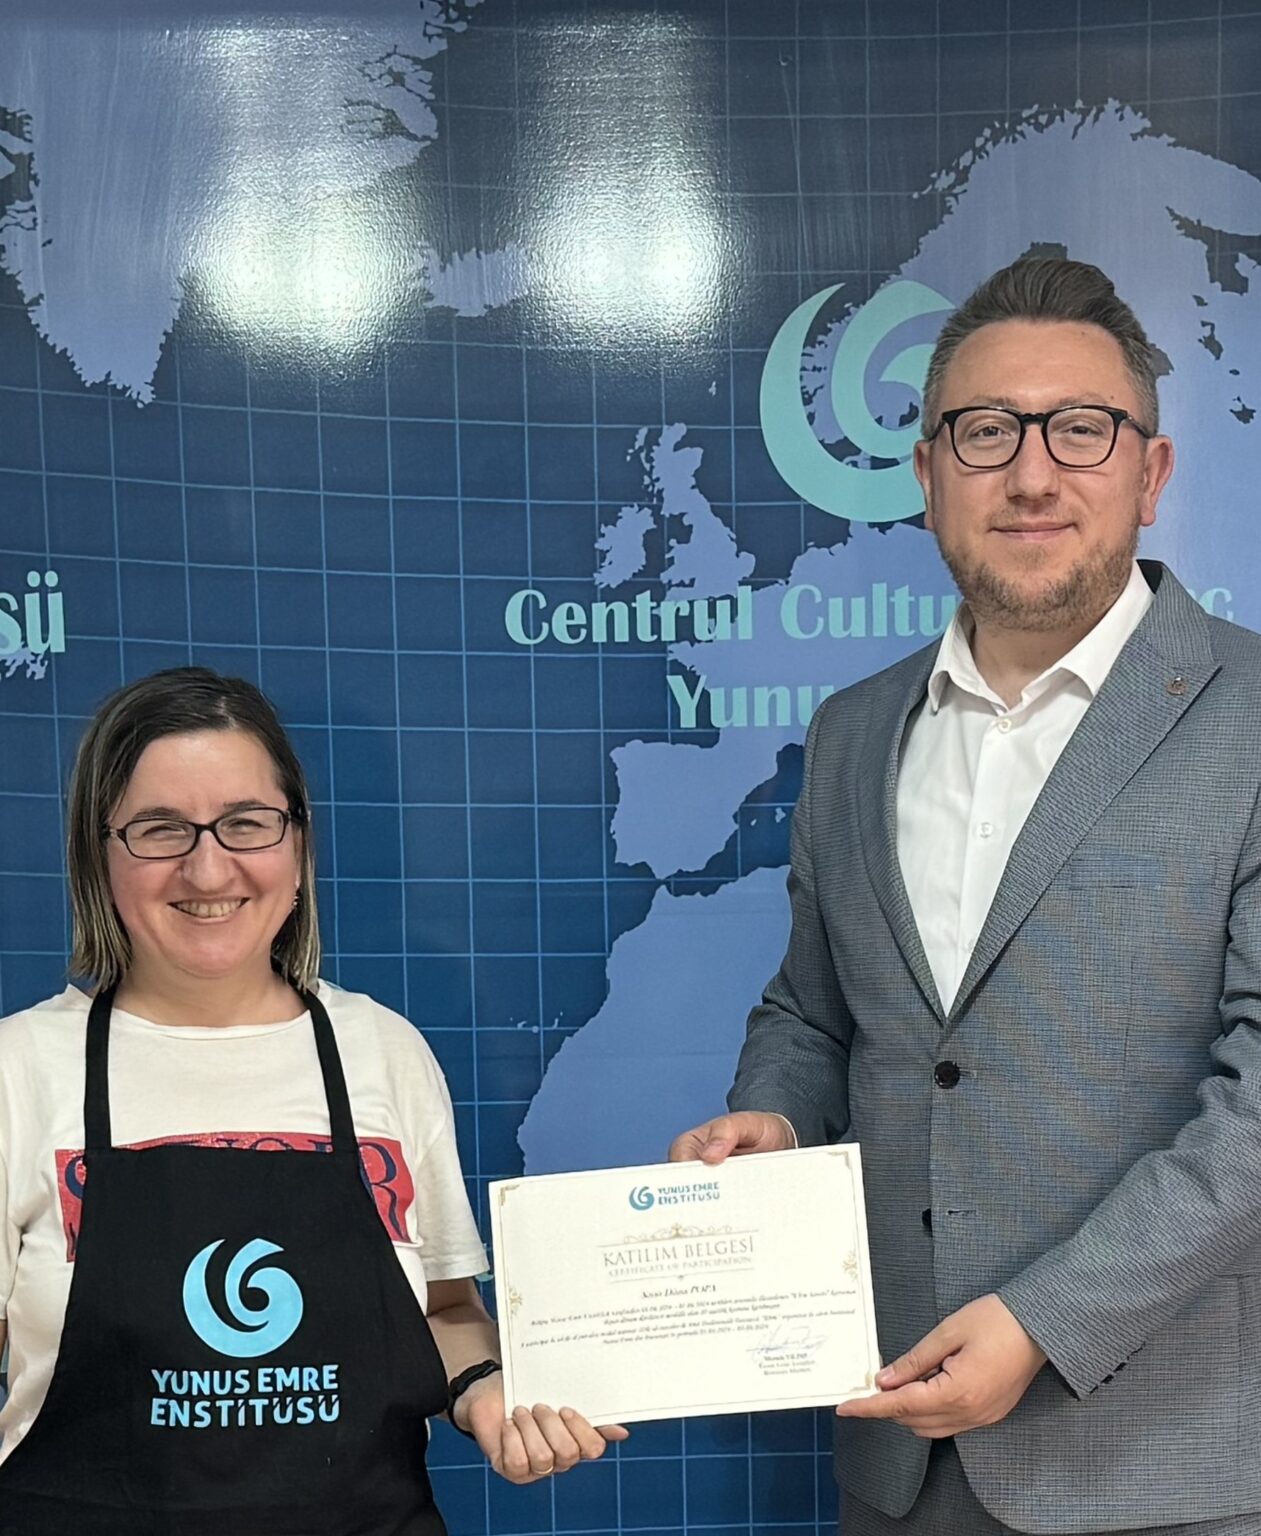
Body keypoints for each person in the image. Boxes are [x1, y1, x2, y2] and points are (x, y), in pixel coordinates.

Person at [671, 258, 1261, 1534]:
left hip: (1167, 1470)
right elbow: (814, 1013)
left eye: (1081, 430)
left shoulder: (1253, 718)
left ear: (1151, 474)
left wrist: (1045, 1324)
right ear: (928, 475)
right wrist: (774, 1119)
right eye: (986, 432)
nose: (1032, 475)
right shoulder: (850, 733)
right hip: (899, 1458)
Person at [0, 666, 625, 1535]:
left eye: (246, 823)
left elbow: (446, 1309)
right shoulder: (19, 1069)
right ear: (99, 855)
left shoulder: (382, 1050)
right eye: (160, 829)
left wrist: (488, 1391)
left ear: (296, 842)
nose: (207, 866)